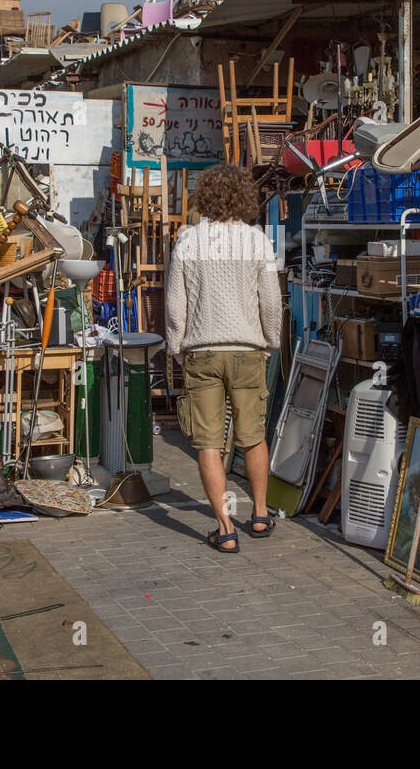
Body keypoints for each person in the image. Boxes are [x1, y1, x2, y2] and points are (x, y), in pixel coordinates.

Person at [165, 164, 282, 553]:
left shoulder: (188, 240)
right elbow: (271, 302)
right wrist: (270, 342)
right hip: (248, 351)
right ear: (245, 198)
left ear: (206, 199)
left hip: (202, 351)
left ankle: (225, 528)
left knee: (208, 442)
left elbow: (175, 306)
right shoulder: (257, 241)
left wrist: (176, 347)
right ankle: (261, 514)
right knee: (253, 436)